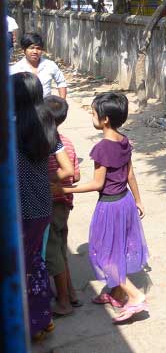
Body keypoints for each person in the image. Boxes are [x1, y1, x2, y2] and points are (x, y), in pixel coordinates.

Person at [63, 92, 149, 323]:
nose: (91, 116)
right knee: (118, 247)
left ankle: (135, 296)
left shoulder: (102, 148)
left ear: (105, 120)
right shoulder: (123, 140)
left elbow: (97, 184)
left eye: (93, 112)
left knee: (104, 255)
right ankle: (116, 293)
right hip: (126, 201)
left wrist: (64, 190)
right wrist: (138, 199)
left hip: (110, 206)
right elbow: (130, 173)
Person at [12, 72, 74, 341]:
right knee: (34, 260)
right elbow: (67, 168)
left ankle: (32, 321)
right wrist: (42, 180)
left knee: (21, 266)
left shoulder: (11, 129)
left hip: (19, 209)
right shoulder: (47, 125)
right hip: (42, 205)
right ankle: (42, 317)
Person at [45, 96, 81, 317]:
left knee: (52, 251)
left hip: (52, 203)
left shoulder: (48, 144)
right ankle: (71, 293)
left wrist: (49, 181)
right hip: (65, 204)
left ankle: (64, 302)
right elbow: (76, 174)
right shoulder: (66, 141)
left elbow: (69, 172)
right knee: (61, 247)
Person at [10, 32, 68, 98]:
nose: (35, 51)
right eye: (31, 48)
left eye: (38, 48)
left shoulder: (50, 65)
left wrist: (62, 102)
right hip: (25, 107)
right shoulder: (15, 69)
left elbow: (61, 82)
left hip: (46, 106)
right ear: (24, 50)